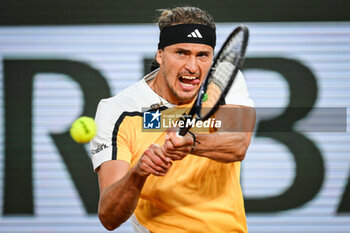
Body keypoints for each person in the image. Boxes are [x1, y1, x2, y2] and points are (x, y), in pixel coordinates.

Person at [90, 6, 255, 233]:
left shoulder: (224, 80)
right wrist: (138, 174)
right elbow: (109, 216)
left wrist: (192, 143)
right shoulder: (118, 110)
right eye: (181, 53)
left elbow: (238, 144)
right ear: (160, 55)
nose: (192, 67)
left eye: (202, 55)